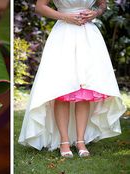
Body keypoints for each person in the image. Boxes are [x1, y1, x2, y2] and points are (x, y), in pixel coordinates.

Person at [18, 0, 127, 158]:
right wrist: (64, 17)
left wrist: (95, 13)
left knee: (84, 90)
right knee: (62, 88)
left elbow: (103, 4)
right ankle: (64, 141)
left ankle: (80, 141)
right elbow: (40, 7)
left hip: (88, 36)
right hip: (64, 35)